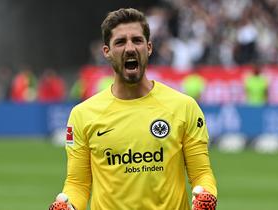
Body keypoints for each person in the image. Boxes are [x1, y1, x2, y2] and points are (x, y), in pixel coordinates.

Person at [49, 8, 217, 210]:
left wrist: (205, 196)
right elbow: (78, 184)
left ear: (149, 48)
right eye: (120, 42)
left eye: (136, 40)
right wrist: (70, 207)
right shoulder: (82, 115)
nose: (130, 48)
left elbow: (201, 174)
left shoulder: (184, 107)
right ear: (107, 52)